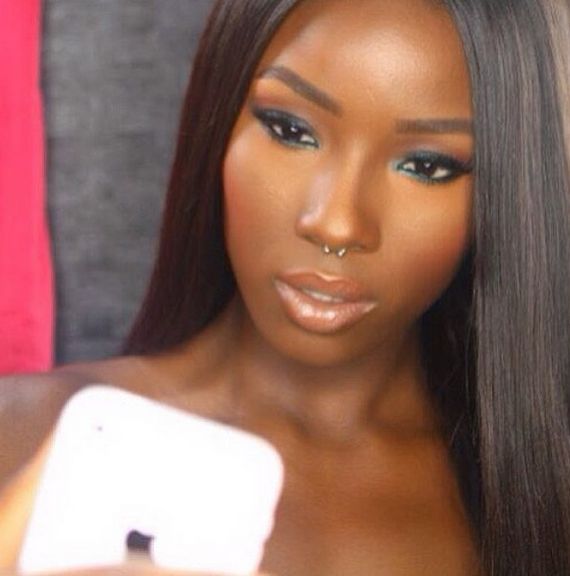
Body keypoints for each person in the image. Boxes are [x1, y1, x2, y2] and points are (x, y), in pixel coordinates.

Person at [1, 0, 569, 574]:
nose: (336, 224)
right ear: (219, 121)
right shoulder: (21, 433)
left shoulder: (537, 495)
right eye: (292, 131)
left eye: (426, 166)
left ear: (504, 193)